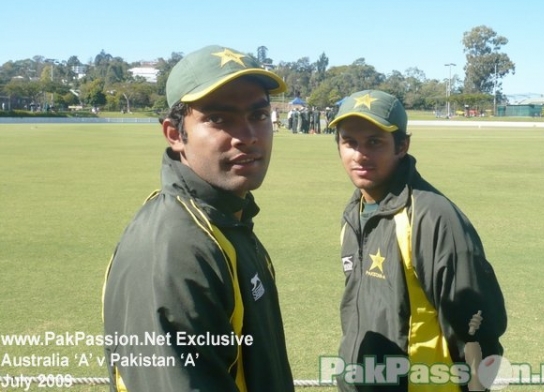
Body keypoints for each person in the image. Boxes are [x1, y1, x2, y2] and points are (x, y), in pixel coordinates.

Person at [103, 45, 294, 392]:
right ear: (175, 134)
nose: (248, 136)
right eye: (219, 119)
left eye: (259, 115)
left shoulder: (224, 221)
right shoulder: (177, 250)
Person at [328, 90, 507, 391]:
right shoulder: (354, 212)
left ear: (402, 146)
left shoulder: (435, 219)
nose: (359, 155)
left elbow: (479, 330)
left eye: (374, 142)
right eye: (350, 142)